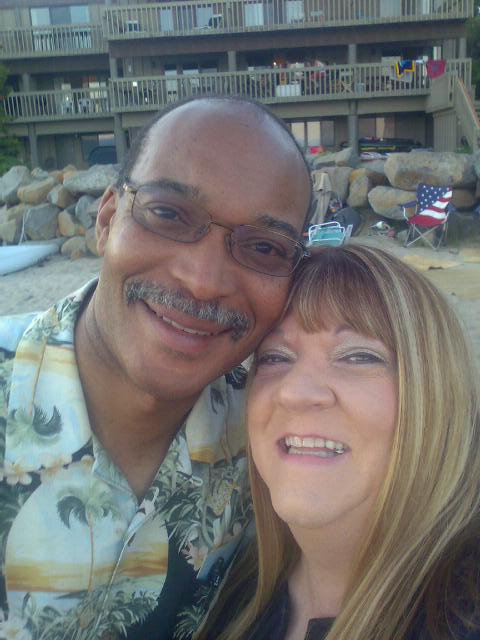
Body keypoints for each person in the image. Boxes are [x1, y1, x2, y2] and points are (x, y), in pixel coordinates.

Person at [0, 96, 312, 640]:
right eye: (169, 214)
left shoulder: (280, 442)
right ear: (106, 219)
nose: (203, 281)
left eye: (264, 247)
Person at [202, 245, 480, 640]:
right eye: (275, 357)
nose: (294, 392)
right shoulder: (226, 587)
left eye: (358, 356)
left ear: (436, 394)